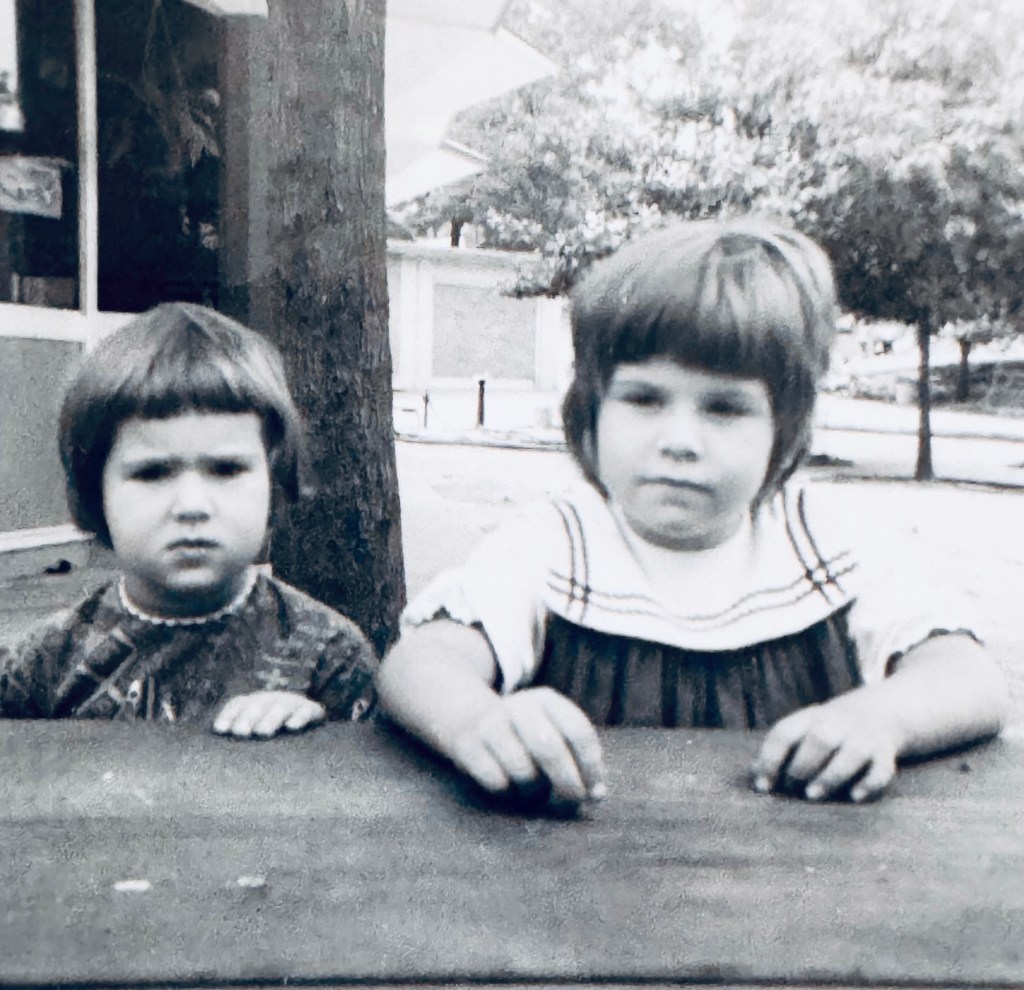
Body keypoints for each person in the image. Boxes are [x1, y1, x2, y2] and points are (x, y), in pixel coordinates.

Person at [376, 218, 1008, 806]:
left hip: (797, 867)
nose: (680, 440)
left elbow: (971, 676)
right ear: (590, 411)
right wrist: (477, 719)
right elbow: (420, 662)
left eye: (725, 408)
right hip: (579, 868)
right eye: (644, 399)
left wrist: (882, 717)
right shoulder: (556, 545)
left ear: (784, 428)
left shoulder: (827, 543)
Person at [0, 303, 376, 734]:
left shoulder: (330, 658)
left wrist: (316, 737)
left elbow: (368, 771)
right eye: (153, 473)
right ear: (94, 492)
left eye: (226, 469)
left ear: (275, 480)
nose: (192, 505)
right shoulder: (45, 662)